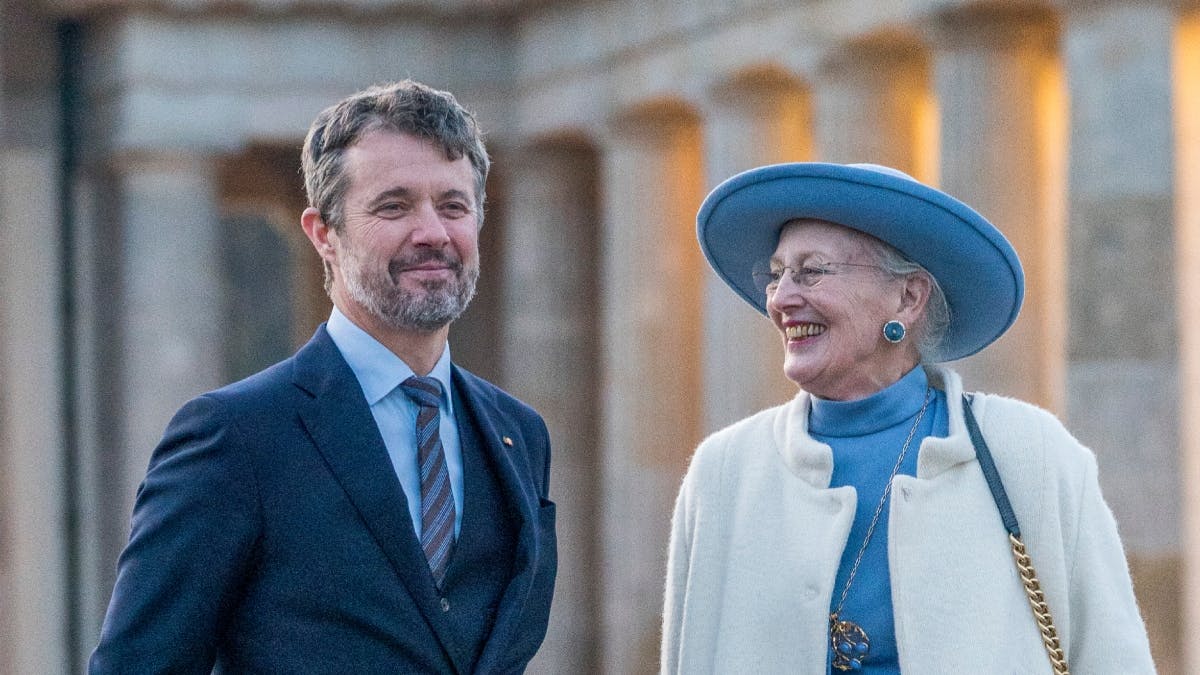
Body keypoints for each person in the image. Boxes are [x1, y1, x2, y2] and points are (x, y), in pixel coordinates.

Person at [90, 80, 557, 673]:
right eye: (394, 206)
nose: (433, 233)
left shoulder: (520, 434)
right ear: (323, 234)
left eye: (453, 205)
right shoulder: (235, 437)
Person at [661, 162, 1155, 673]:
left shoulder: (1029, 452)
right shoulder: (721, 472)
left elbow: (1113, 657)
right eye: (776, 274)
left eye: (811, 271)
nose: (782, 298)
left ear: (908, 297)